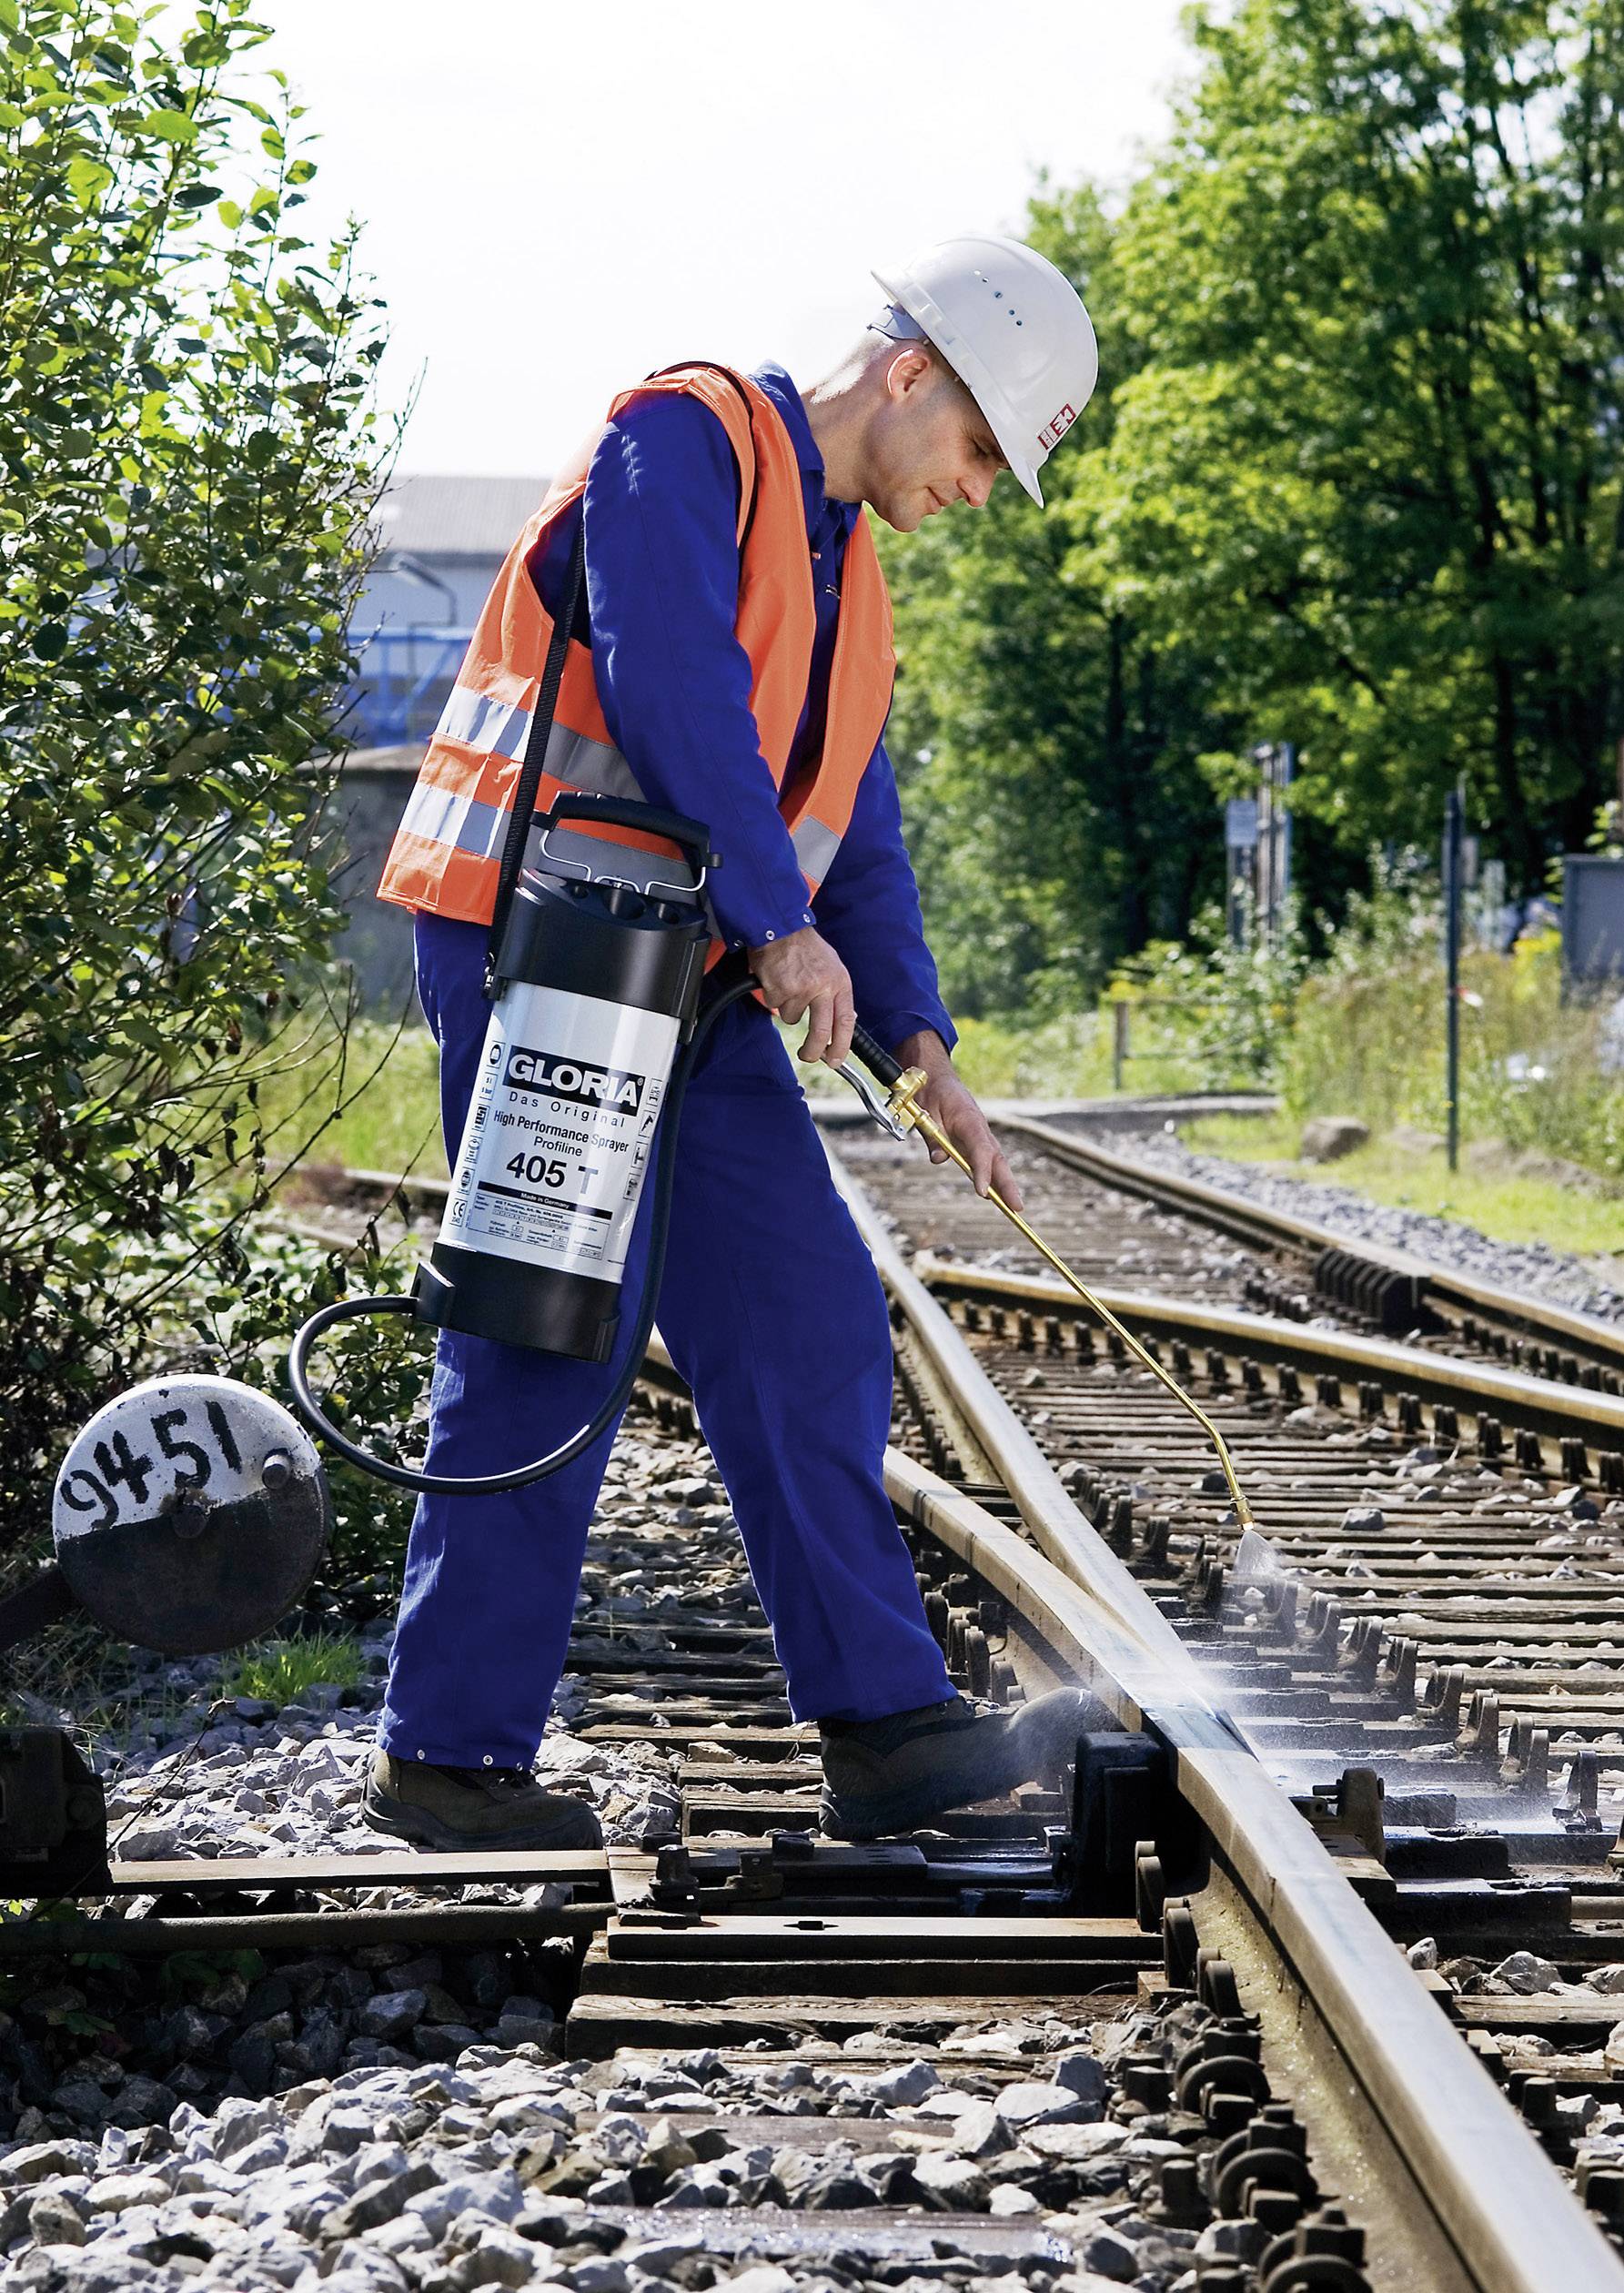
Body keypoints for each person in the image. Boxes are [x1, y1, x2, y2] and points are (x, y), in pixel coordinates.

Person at [365, 235, 1100, 1850]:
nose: (979, 489)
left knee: (807, 1313)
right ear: (910, 373)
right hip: (539, 937)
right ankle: (449, 1762)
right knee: (551, 1326)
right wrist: (775, 923)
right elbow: (673, 681)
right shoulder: (681, 437)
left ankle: (886, 1730)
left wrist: (921, 1046)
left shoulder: (856, 588)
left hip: (681, 979)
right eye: (981, 447)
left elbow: (856, 835)